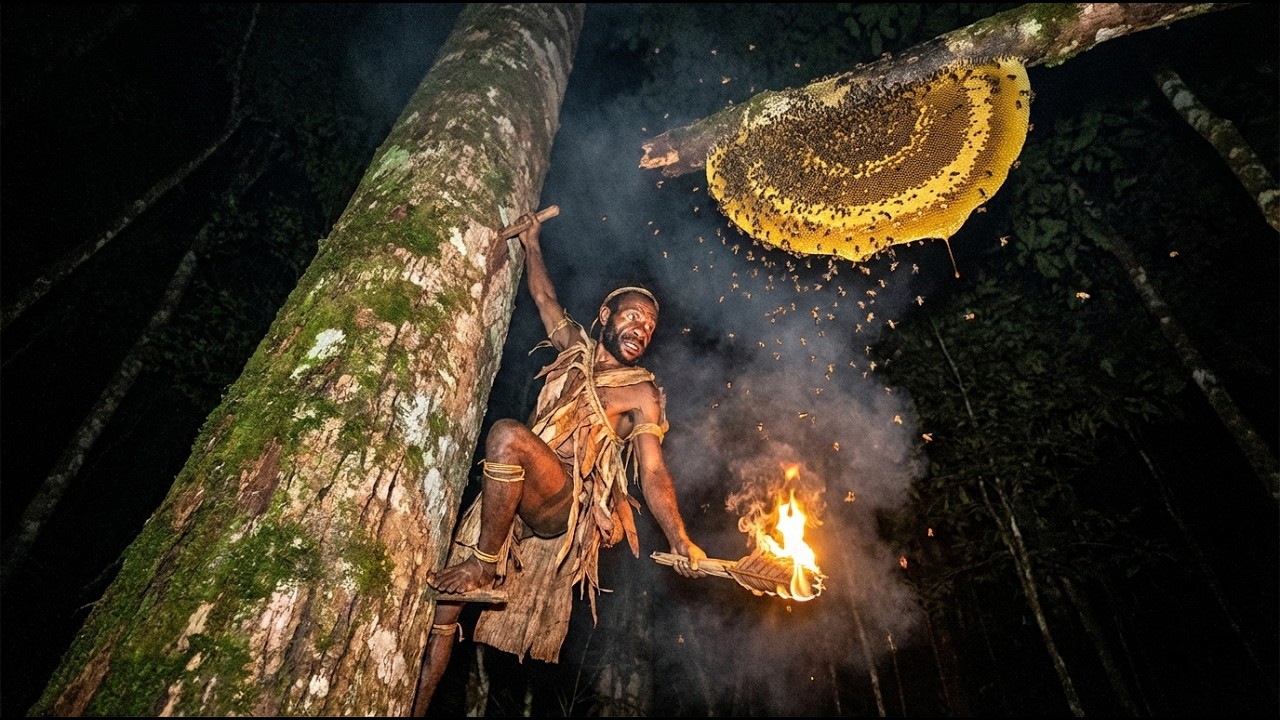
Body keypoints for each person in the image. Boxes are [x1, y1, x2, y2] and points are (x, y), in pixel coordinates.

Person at [410, 211, 708, 715]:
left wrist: (680, 538)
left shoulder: (642, 394)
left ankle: (484, 567)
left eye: (650, 325)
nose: (642, 327)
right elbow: (545, 298)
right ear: (606, 316)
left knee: (506, 436)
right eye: (632, 315)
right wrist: (532, 242)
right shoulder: (575, 349)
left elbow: (653, 471)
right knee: (444, 614)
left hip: (563, 503)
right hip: (511, 501)